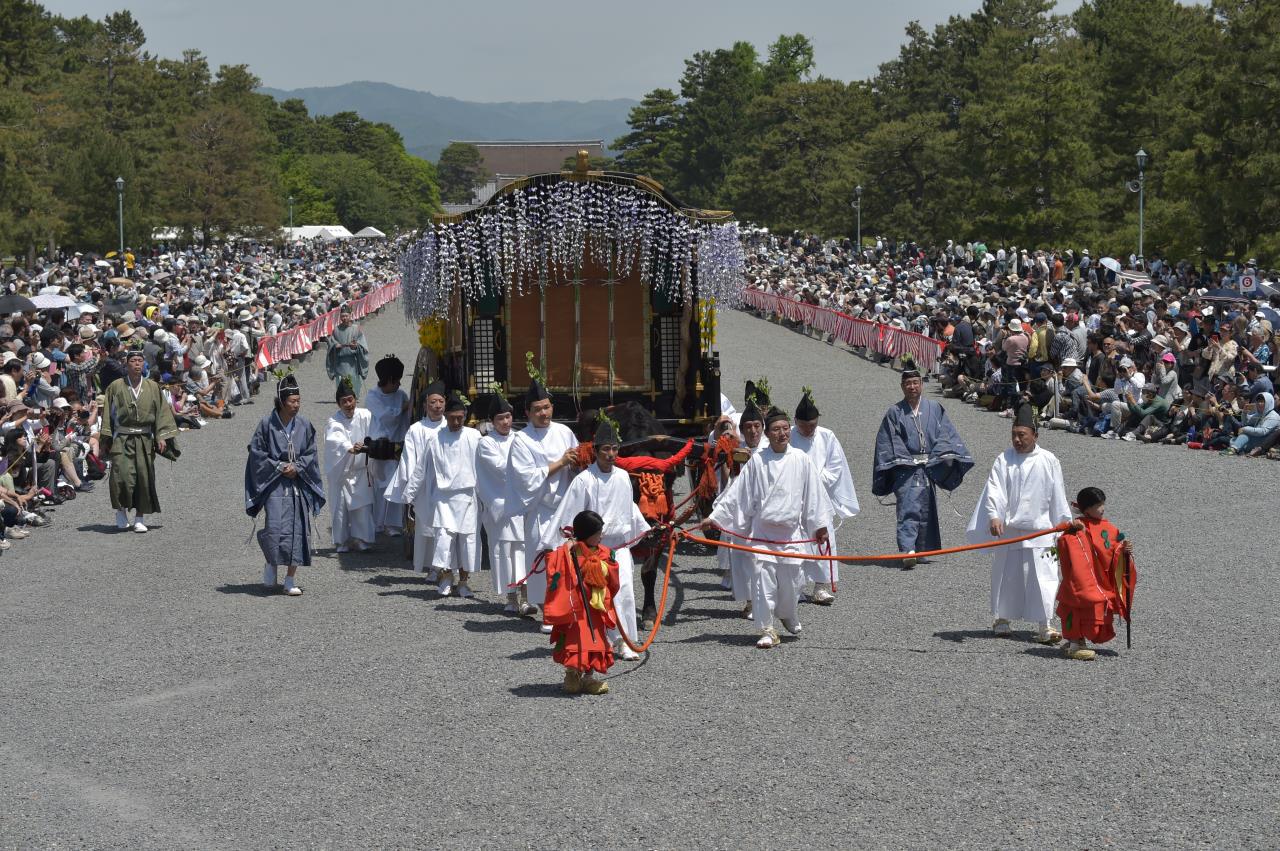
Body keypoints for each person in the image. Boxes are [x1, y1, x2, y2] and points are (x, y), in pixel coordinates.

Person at [701, 408, 831, 649]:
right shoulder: (757, 461)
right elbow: (738, 495)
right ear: (768, 434)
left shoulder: (801, 460)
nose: (782, 434)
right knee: (763, 583)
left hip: (790, 535)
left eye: (785, 429)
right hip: (762, 535)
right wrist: (715, 517)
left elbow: (813, 496)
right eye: (776, 430)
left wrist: (819, 526)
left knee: (792, 584)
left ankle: (787, 613)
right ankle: (767, 628)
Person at [542, 416, 650, 662]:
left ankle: (625, 641)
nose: (610, 454)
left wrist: (645, 530)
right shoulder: (584, 480)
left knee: (624, 593)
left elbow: (629, 509)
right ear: (595, 451)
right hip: (593, 551)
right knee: (597, 599)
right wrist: (566, 542)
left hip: (619, 548)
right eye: (605, 449)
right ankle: (602, 641)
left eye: (614, 449)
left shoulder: (623, 477)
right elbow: (571, 514)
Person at [966, 403, 1072, 644]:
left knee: (1044, 578)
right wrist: (994, 515)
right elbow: (995, 489)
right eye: (1014, 434)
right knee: (1007, 576)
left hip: (1041, 530)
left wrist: (1063, 524)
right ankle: (1001, 618)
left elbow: (1058, 494)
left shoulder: (1049, 460)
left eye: (1022, 435)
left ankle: (1045, 624)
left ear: (1035, 435)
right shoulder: (1004, 459)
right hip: (1011, 529)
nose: (1017, 439)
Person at [873, 368, 973, 566]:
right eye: (908, 383)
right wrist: (907, 461)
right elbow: (889, 441)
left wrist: (938, 457)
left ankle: (922, 549)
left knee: (927, 508)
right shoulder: (894, 412)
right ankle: (907, 549)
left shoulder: (934, 408)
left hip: (929, 464)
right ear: (902, 386)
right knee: (908, 507)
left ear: (922, 385)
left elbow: (946, 434)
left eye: (916, 383)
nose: (912, 387)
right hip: (906, 468)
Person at [506, 375, 579, 628]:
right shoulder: (521, 440)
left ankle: (567, 607)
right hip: (540, 509)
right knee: (543, 559)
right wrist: (560, 463)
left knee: (567, 559)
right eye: (537, 409)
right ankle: (547, 609)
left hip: (565, 508)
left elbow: (577, 464)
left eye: (546, 407)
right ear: (527, 412)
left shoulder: (564, 432)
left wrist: (579, 463)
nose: (543, 413)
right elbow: (525, 478)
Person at [245, 375, 325, 596]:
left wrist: (298, 467)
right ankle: (271, 563)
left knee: (298, 531)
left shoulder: (305, 424)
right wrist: (280, 466)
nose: (296, 405)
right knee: (275, 528)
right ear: (281, 401)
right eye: (292, 401)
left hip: (297, 482)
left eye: (299, 401)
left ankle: (290, 578)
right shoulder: (266, 424)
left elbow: (311, 452)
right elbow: (257, 453)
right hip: (275, 483)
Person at [405, 391, 480, 597]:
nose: (456, 422)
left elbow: (485, 467)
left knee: (467, 541)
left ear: (464, 416)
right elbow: (421, 468)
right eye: (452, 418)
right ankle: (446, 576)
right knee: (444, 539)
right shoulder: (435, 438)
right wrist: (409, 494)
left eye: (460, 417)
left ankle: (464, 582)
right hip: (444, 499)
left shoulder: (473, 436)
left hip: (467, 497)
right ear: (445, 417)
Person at [789, 388, 859, 603]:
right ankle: (796, 587)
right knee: (796, 541)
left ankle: (821, 586)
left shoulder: (827, 436)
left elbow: (835, 465)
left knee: (823, 539)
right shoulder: (789, 435)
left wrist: (816, 480)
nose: (809, 430)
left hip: (820, 496)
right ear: (796, 422)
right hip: (794, 496)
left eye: (813, 425)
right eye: (804, 426)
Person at [542, 509, 619, 695]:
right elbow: (555, 570)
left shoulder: (605, 552)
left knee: (596, 642)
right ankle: (572, 673)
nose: (601, 537)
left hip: (595, 608)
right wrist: (565, 552)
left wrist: (600, 567)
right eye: (597, 534)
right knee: (576, 640)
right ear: (586, 534)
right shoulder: (568, 552)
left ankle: (588, 677)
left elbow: (613, 574)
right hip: (576, 607)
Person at [1056, 486, 1136, 661]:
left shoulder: (1109, 527)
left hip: (1102, 580)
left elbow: (1113, 549)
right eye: (1098, 505)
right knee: (1078, 607)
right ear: (1086, 509)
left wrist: (1124, 550)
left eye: (1103, 504)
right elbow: (1065, 544)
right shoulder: (1077, 526)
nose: (1102, 508)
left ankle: (1075, 642)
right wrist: (1075, 533)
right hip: (1083, 578)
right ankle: (1076, 642)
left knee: (1094, 609)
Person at [103, 348, 179, 533]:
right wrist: (107, 438)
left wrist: (160, 435)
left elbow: (161, 412)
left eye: (140, 360)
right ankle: (121, 511)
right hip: (122, 437)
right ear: (126, 364)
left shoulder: (153, 387)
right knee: (120, 477)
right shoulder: (115, 386)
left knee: (143, 479)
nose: (137, 364)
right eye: (133, 360)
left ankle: (139, 517)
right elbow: (108, 414)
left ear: (144, 364)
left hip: (145, 438)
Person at [475, 392, 533, 615]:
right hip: (500, 505)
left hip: (523, 504)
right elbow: (500, 469)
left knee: (524, 549)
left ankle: (526, 597)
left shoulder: (520, 438)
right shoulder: (486, 443)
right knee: (504, 551)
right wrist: (527, 471)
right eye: (500, 418)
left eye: (508, 417)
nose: (506, 422)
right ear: (492, 421)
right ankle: (511, 597)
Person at [384, 379, 448, 576]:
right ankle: (431, 567)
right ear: (425, 405)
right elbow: (409, 459)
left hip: (447, 487)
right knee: (426, 528)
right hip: (424, 486)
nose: (437, 406)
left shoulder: (450, 427)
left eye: (440, 402)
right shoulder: (416, 429)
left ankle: (446, 567)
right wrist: (413, 488)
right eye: (432, 403)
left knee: (445, 527)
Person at [323, 378, 374, 553]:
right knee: (340, 507)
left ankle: (361, 538)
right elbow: (334, 439)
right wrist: (349, 448)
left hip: (360, 468)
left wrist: (367, 446)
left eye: (350, 399)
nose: (348, 404)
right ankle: (342, 541)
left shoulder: (366, 415)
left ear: (355, 399)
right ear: (338, 404)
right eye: (343, 401)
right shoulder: (333, 420)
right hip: (341, 471)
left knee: (362, 506)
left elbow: (375, 432)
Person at [364, 355, 410, 536]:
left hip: (397, 446)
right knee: (381, 486)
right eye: (396, 380)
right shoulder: (372, 396)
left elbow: (405, 421)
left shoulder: (401, 395)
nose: (399, 384)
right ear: (388, 380)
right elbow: (386, 417)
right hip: (380, 447)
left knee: (396, 484)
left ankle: (393, 524)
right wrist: (403, 409)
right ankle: (378, 523)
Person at [325, 307, 369, 398]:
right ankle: (342, 397)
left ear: (350, 315)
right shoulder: (336, 330)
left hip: (352, 361)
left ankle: (353, 396)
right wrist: (335, 345)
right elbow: (332, 342)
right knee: (341, 380)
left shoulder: (356, 329)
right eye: (342, 316)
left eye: (346, 316)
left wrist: (356, 346)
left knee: (353, 380)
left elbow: (363, 345)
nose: (344, 318)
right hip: (340, 361)